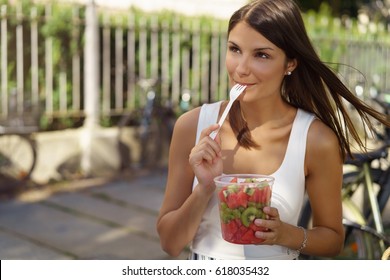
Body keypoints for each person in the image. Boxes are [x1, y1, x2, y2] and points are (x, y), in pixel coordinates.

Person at [156, 0, 390, 260]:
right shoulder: (192, 126)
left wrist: (284, 234)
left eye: (262, 55)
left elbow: (333, 240)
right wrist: (205, 188)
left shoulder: (316, 140)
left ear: (290, 63)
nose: (241, 69)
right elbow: (170, 243)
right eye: (235, 49)